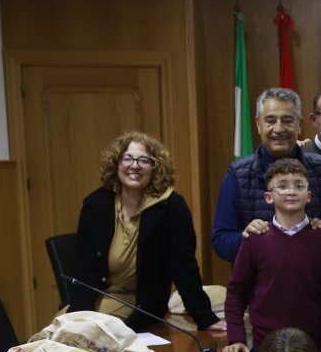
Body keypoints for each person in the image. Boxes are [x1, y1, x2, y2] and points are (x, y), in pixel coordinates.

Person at [69, 131, 226, 333]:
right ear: (116, 164)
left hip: (138, 302)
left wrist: (204, 317)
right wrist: (78, 315)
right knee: (57, 332)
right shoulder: (96, 204)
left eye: (143, 160)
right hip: (96, 296)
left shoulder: (171, 207)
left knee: (90, 333)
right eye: (128, 158)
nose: (134, 165)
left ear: (155, 168)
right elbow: (84, 268)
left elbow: (183, 266)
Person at [223, 159, 321, 352]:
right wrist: (236, 337)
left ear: (309, 195)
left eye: (299, 185)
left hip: (313, 349)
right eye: (282, 186)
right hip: (266, 348)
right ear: (268, 196)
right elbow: (236, 292)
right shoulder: (255, 239)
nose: (291, 191)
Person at [212, 87, 321, 262]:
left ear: (300, 125)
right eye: (270, 121)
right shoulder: (237, 175)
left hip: (313, 277)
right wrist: (248, 238)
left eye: (287, 120)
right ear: (258, 124)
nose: (279, 129)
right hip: (260, 278)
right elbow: (221, 241)